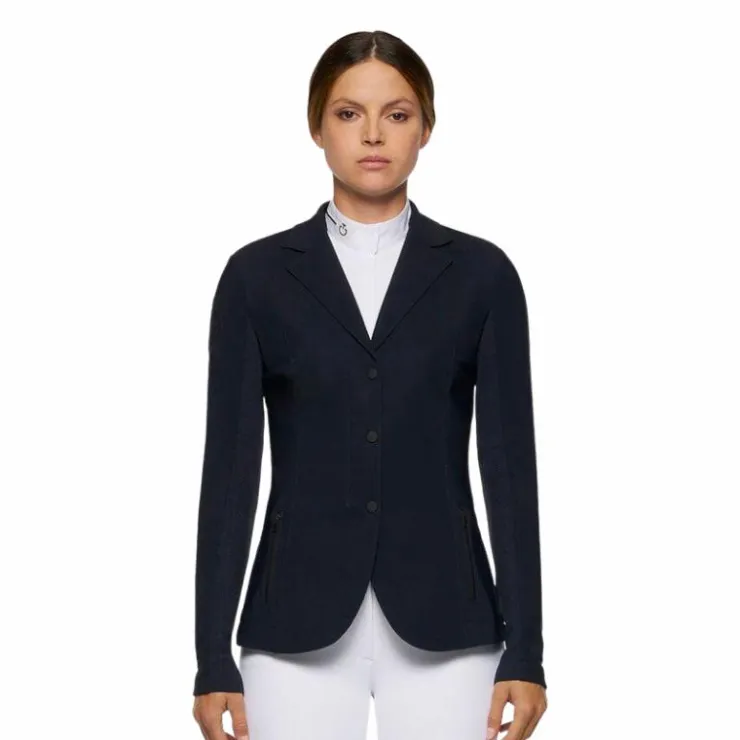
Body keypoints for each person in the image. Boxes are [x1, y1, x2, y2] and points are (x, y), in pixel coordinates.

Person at [192, 30, 548, 740]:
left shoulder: (482, 275)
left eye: (398, 114)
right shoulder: (256, 277)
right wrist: (211, 658)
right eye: (349, 113)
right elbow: (229, 475)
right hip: (293, 626)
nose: (374, 134)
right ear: (317, 127)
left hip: (451, 623)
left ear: (426, 129)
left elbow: (510, 472)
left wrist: (527, 650)